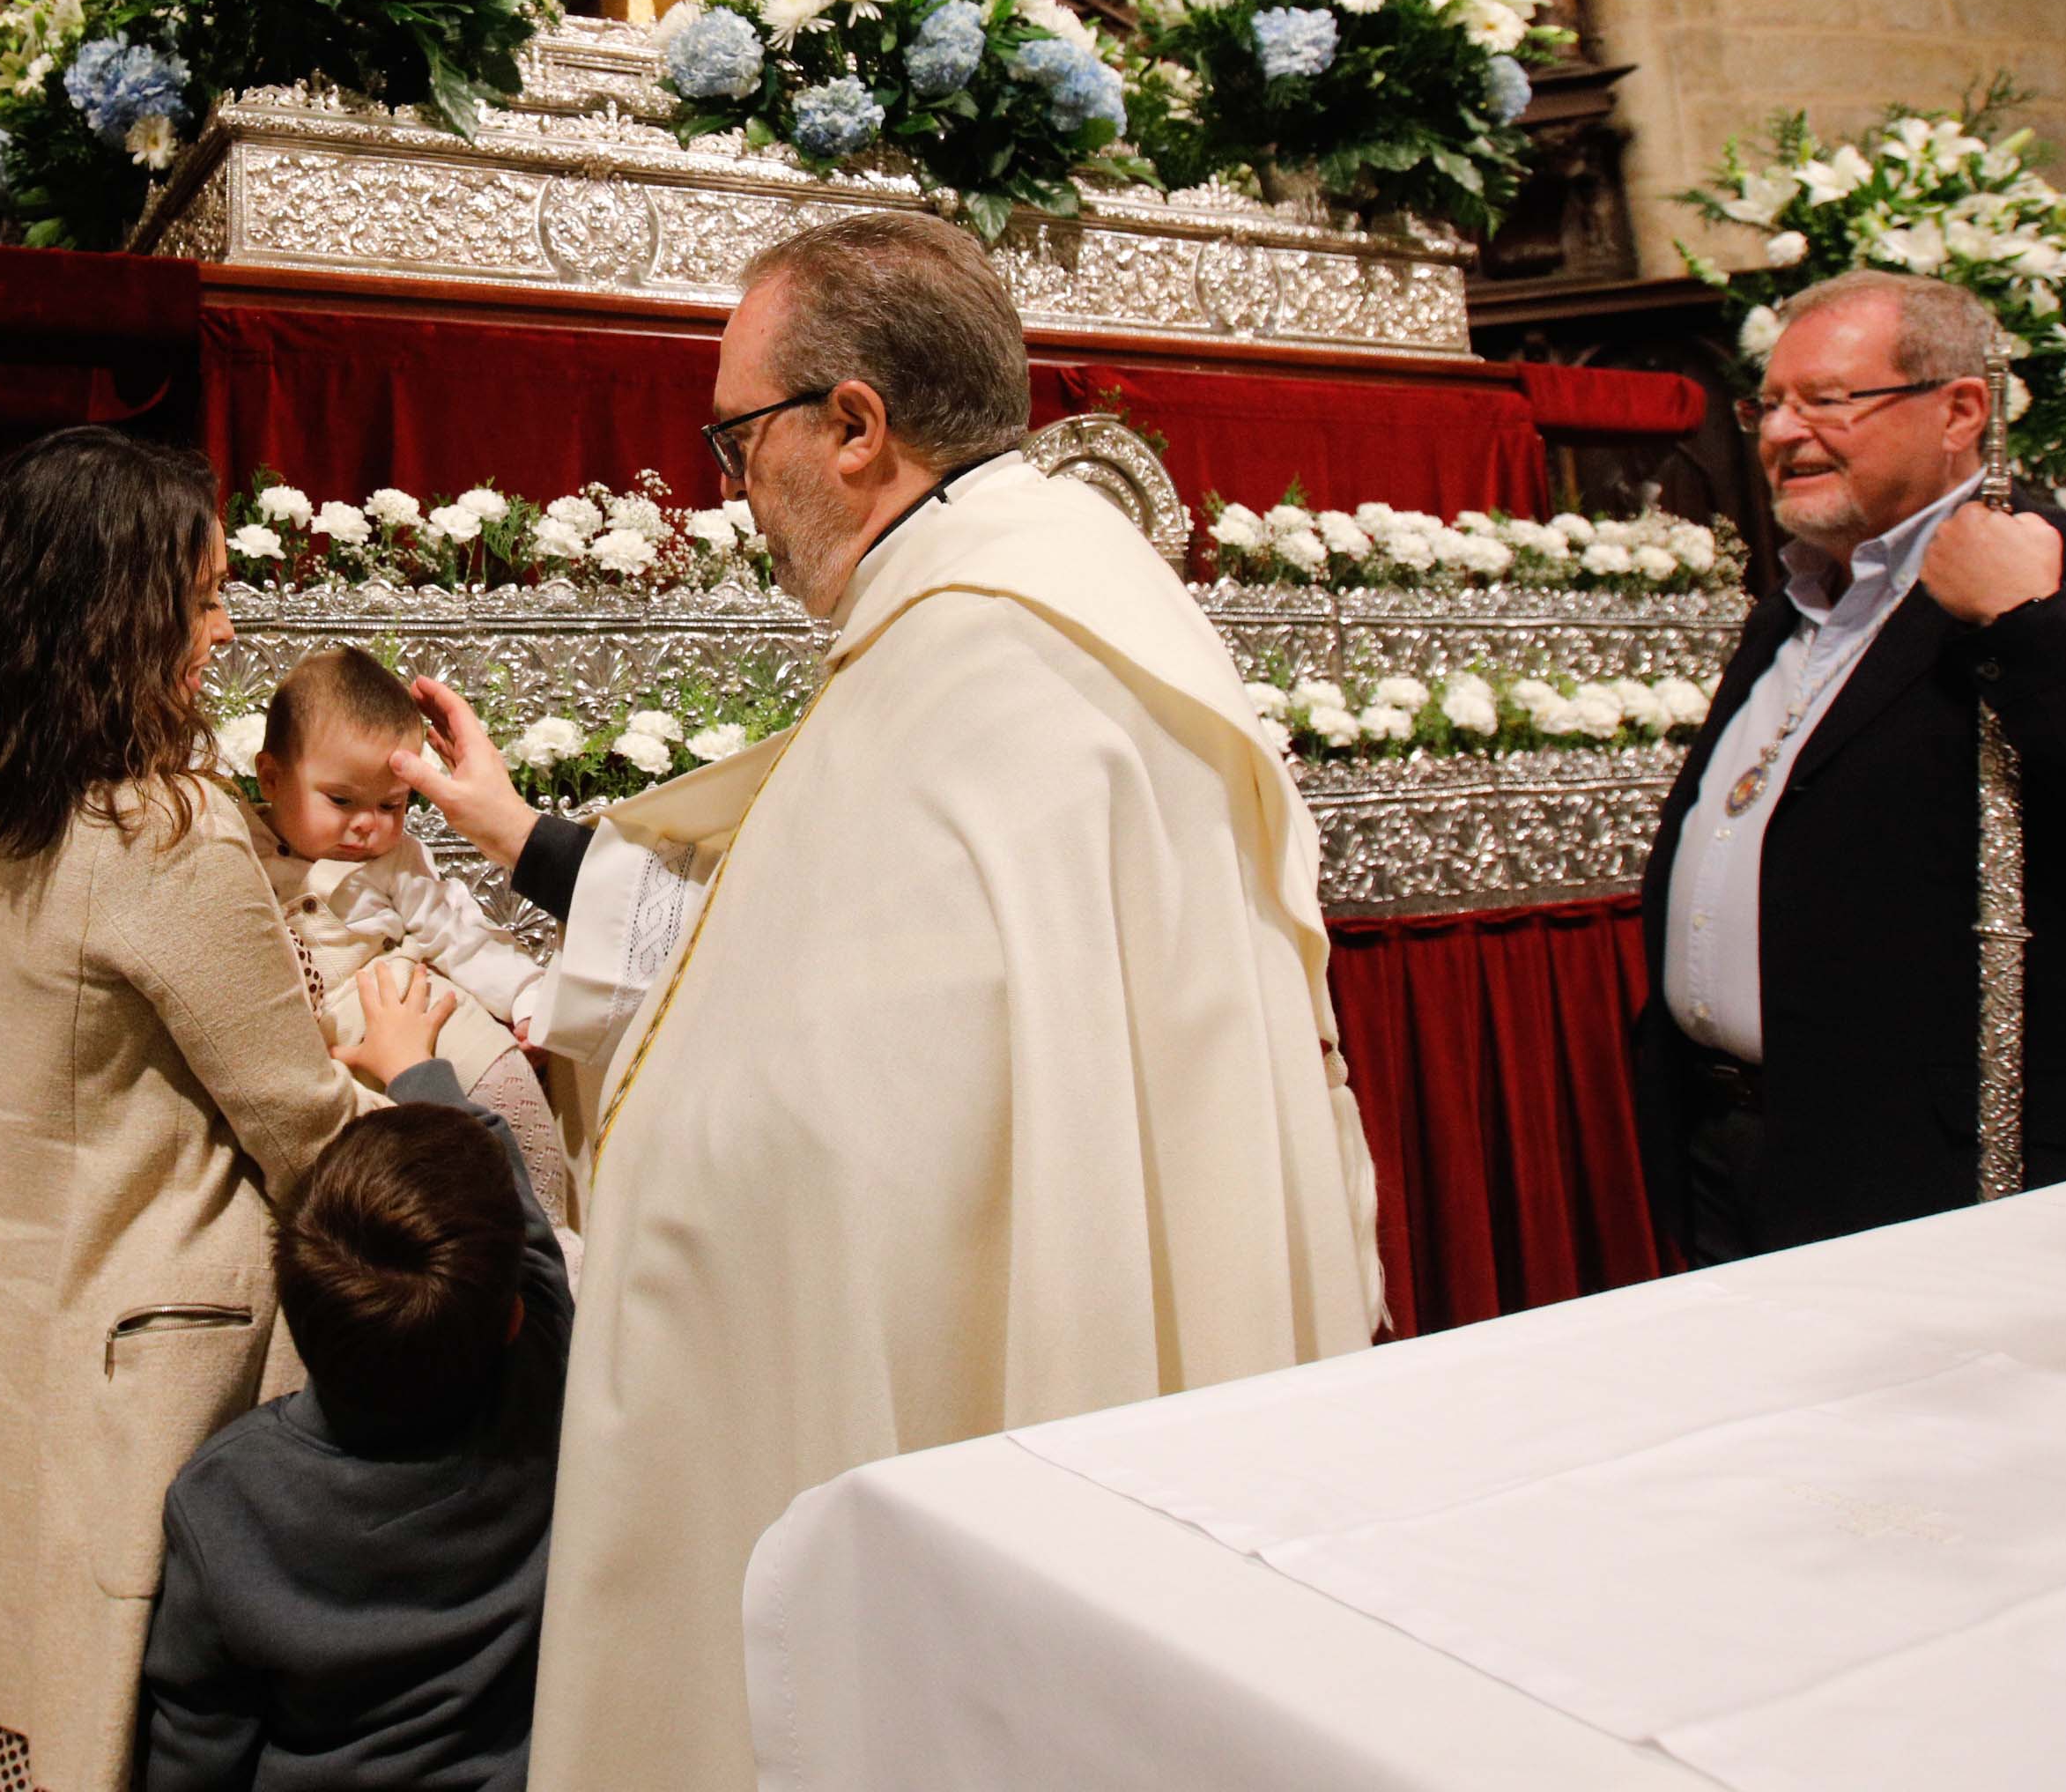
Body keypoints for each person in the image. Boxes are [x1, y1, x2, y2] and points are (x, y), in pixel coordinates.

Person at [389, 211, 1386, 1792]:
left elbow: (829, 1121)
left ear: (852, 427)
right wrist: (522, 840)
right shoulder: (1062, 609)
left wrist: (627, 1183)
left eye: (735, 437)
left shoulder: (971, 665)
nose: (729, 490)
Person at [0, 428, 454, 1792]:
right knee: (137, 1712)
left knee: (52, 1685)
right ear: (123, 610)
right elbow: (297, 1121)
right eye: (203, 595)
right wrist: (417, 1080)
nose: (223, 623)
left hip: (42, 1297)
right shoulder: (167, 830)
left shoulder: (3, 798)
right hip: (161, 1327)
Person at [1636, 270, 2066, 1263]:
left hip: (1975, 1171)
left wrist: (2033, 626)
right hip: (1740, 1151)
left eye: (1827, 399)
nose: (1780, 433)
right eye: (1768, 404)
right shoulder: (1790, 614)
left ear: (1961, 410)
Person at [132, 1058, 569, 1792]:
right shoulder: (546, 1372)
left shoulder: (225, 1498)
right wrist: (418, 1070)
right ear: (512, 1318)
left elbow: (198, 1736)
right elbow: (521, 1221)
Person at [242, 648, 574, 1222]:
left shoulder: (395, 861)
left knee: (512, 1109)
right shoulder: (236, 847)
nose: (368, 823)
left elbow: (457, 932)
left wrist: (524, 996)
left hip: (420, 1018)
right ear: (270, 777)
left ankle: (551, 1249)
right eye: (341, 800)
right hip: (332, 1070)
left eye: (392, 804)